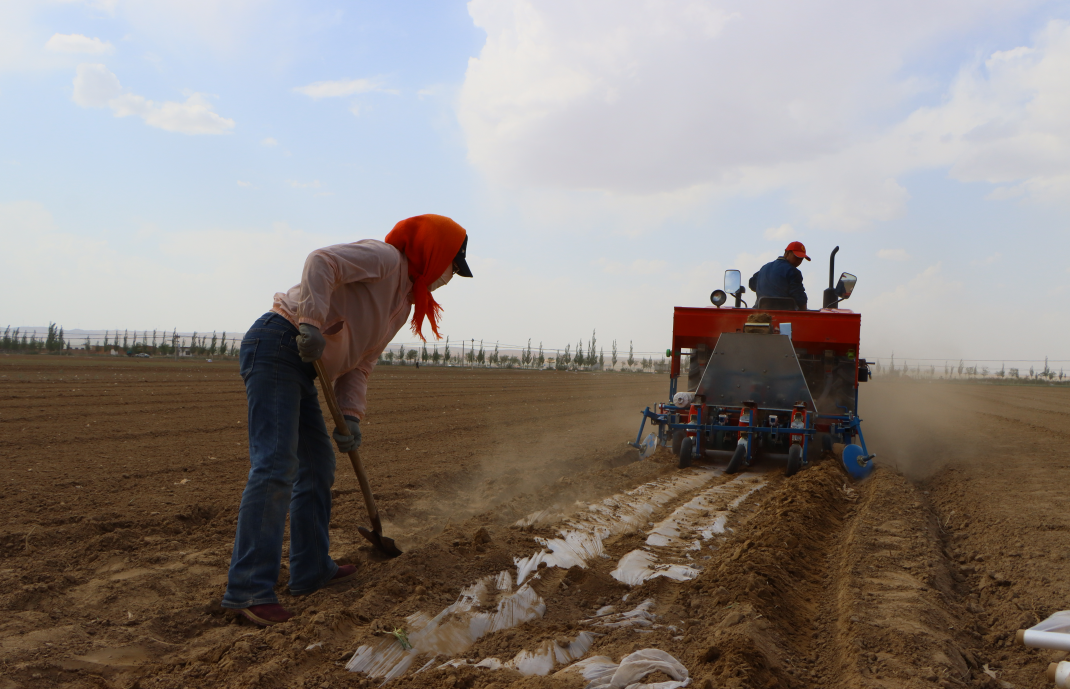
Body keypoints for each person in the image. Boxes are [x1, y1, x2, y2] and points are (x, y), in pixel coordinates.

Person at [221, 214, 473, 626]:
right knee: (276, 465)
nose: (448, 278)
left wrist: (351, 415)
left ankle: (310, 569)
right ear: (433, 251)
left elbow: (362, 362)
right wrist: (310, 323)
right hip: (279, 343)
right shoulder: (385, 259)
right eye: (451, 266)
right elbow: (322, 262)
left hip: (303, 365)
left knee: (318, 464)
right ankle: (248, 588)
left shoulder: (402, 302)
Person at [748, 241, 809, 310]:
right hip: (784, 314)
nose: (799, 261)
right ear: (787, 253)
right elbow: (799, 297)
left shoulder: (764, 268)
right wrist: (805, 312)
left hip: (760, 312)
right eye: (796, 257)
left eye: (801, 259)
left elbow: (752, 284)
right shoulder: (793, 271)